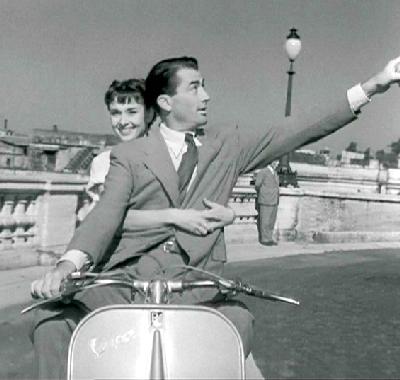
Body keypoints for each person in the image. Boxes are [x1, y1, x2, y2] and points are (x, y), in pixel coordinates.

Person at [31, 55, 400, 379]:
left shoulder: (227, 146)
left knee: (238, 324)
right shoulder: (129, 156)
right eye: (194, 88)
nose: (206, 96)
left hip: (194, 287)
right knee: (51, 326)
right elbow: (105, 216)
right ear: (165, 102)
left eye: (204, 87)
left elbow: (295, 129)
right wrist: (66, 266)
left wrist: (372, 86)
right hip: (122, 285)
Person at [254, 160, 280, 246]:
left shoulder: (275, 173)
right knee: (265, 220)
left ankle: (269, 238)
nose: (277, 164)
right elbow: (257, 184)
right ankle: (264, 239)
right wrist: (264, 193)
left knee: (271, 220)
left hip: (274, 200)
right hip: (266, 200)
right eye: (276, 162)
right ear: (271, 162)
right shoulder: (263, 172)